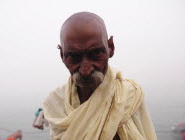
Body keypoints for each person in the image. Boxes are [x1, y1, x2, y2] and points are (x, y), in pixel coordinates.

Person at [43, 12, 157, 140]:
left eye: (95, 53)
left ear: (111, 48)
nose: (85, 70)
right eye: (74, 57)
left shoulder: (129, 95)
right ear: (62, 55)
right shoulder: (55, 103)